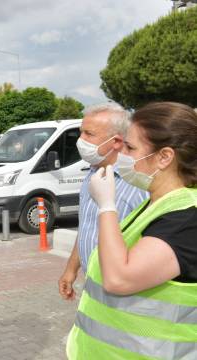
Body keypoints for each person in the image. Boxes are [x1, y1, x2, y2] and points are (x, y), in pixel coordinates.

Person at [66, 102, 197, 358]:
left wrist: (106, 206)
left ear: (164, 157)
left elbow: (119, 279)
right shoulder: (156, 203)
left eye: (130, 147)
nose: (122, 154)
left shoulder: (186, 218)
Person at [58, 103, 148, 300]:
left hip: (127, 293)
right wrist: (71, 269)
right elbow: (87, 227)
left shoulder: (139, 184)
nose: (80, 140)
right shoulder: (92, 173)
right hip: (93, 284)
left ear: (116, 141)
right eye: (81, 132)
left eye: (89, 134)